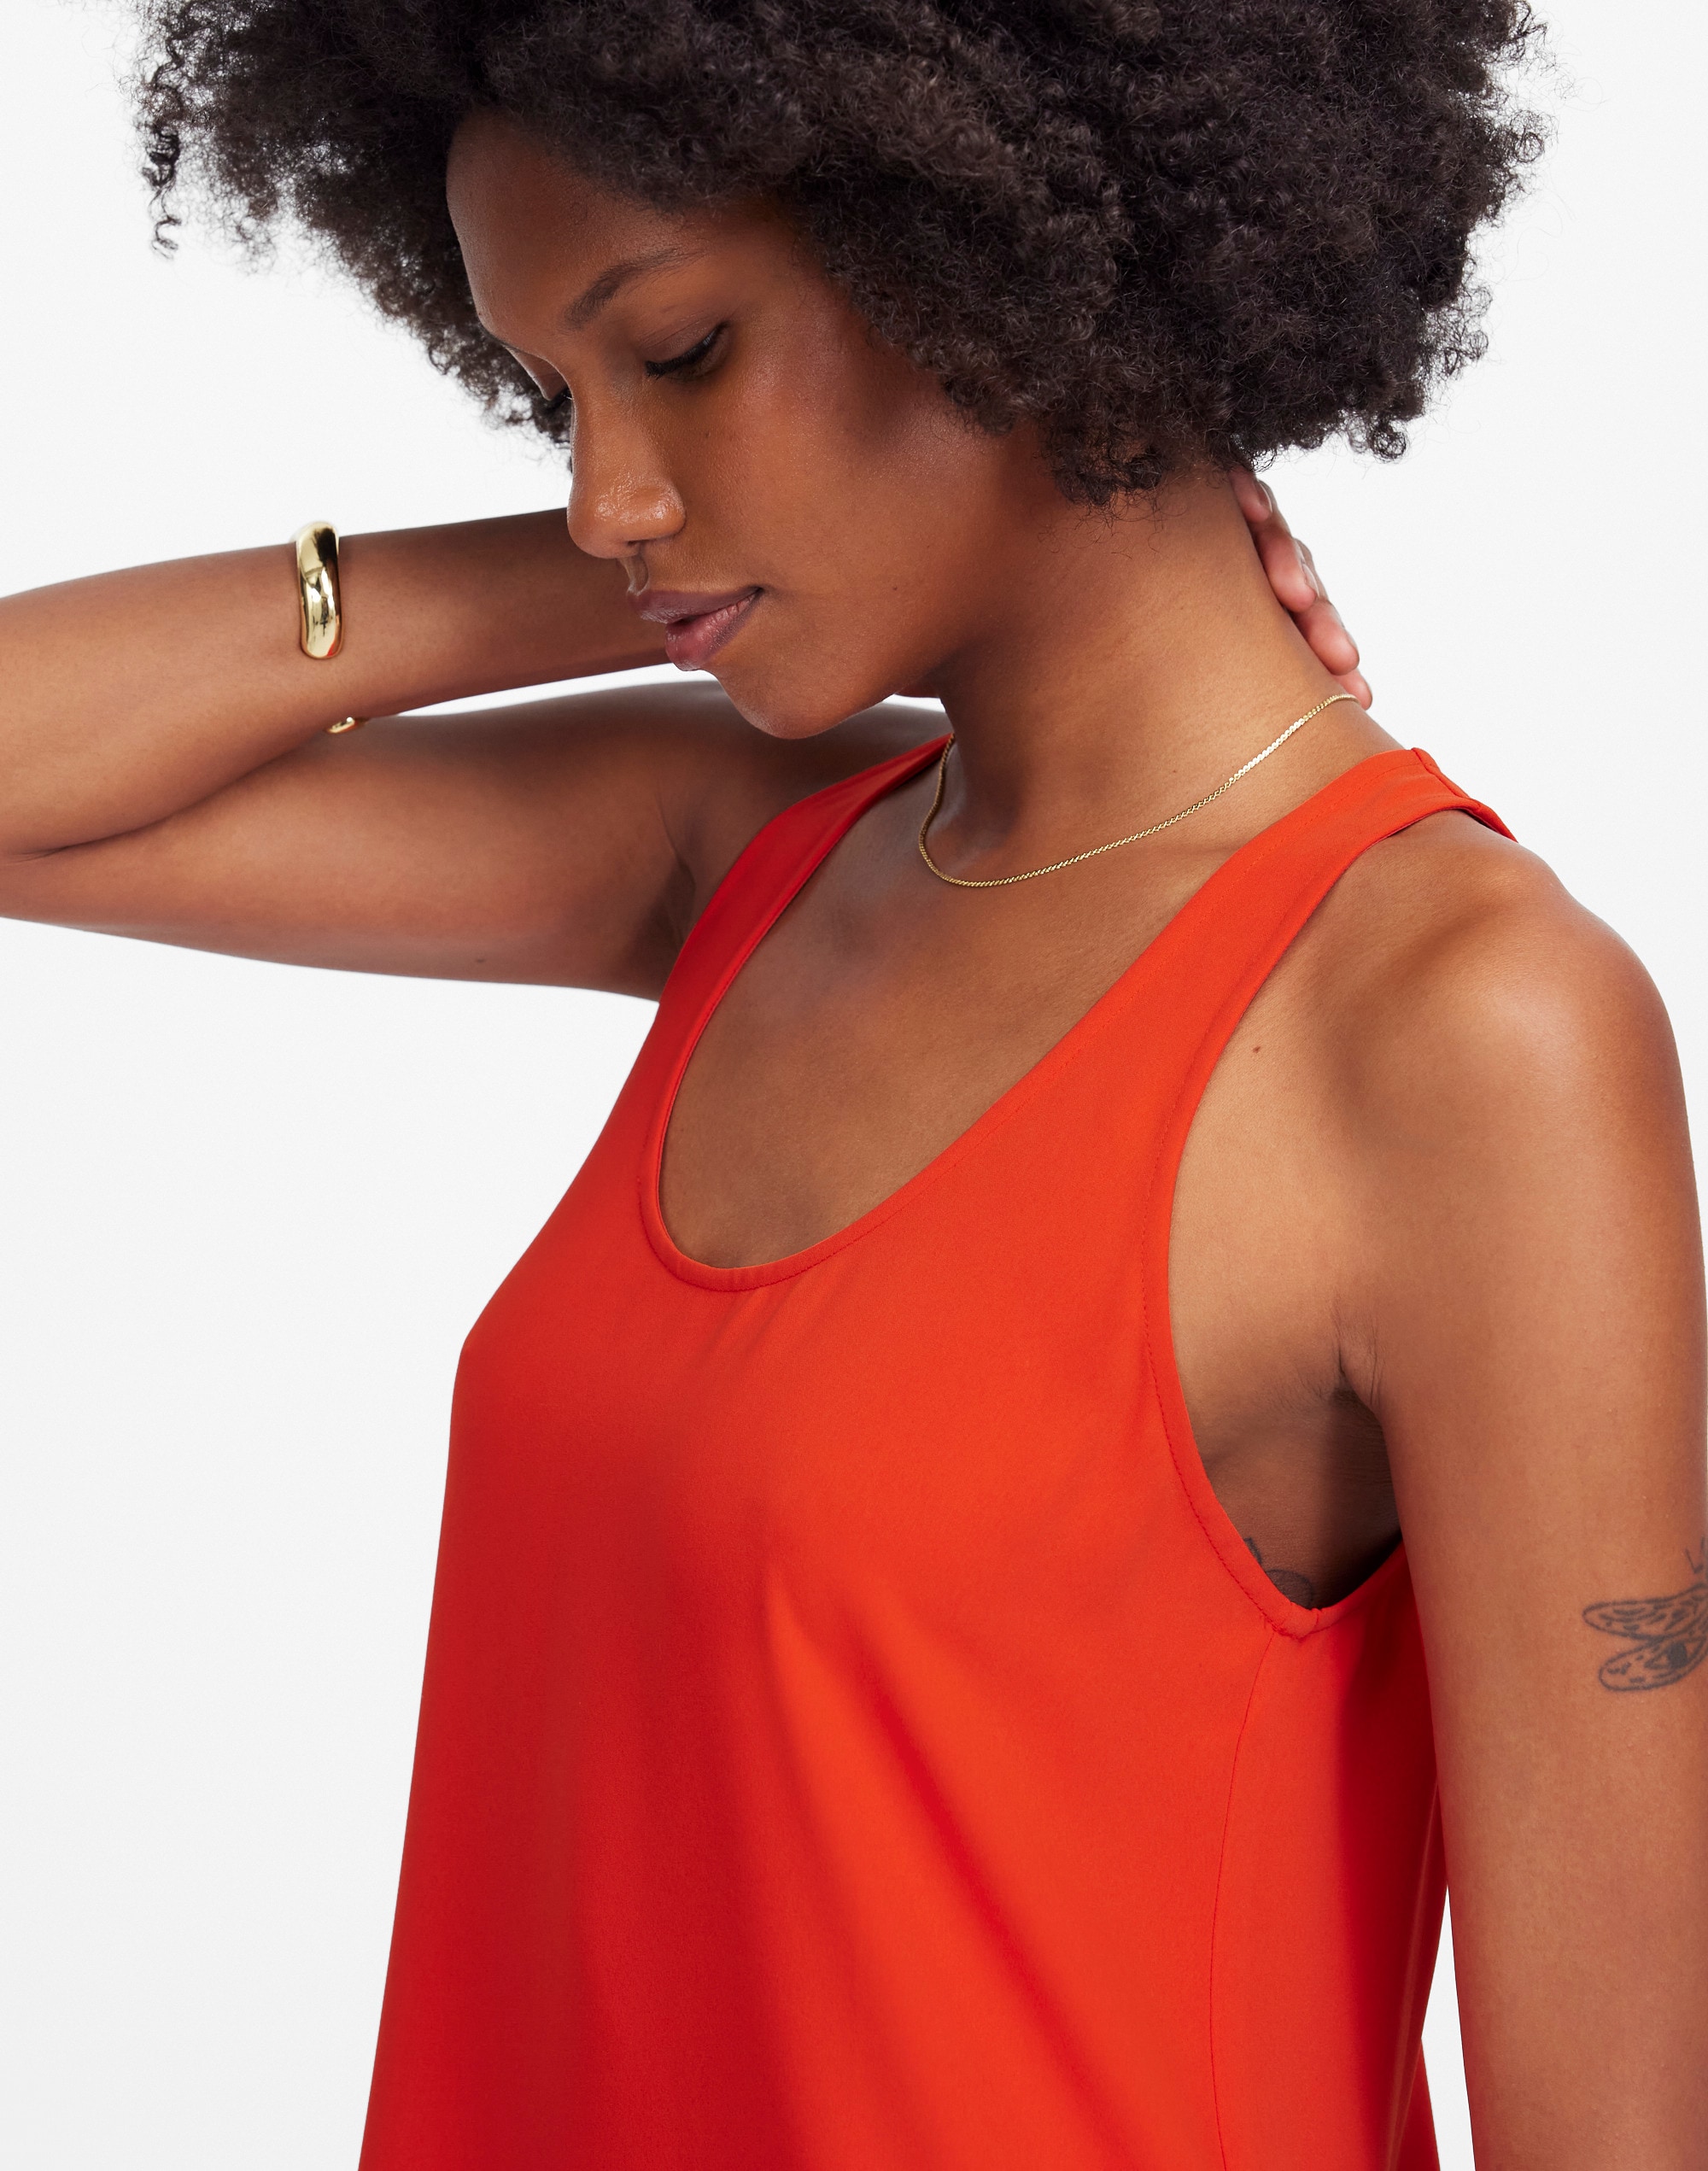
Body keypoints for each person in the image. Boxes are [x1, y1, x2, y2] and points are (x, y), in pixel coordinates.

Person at [3, 0, 1703, 2163]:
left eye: (682, 349)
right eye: (554, 396)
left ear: (997, 267)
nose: (604, 485)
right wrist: (619, 564)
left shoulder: (1464, 1029)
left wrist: (731, 527)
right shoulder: (752, 853)